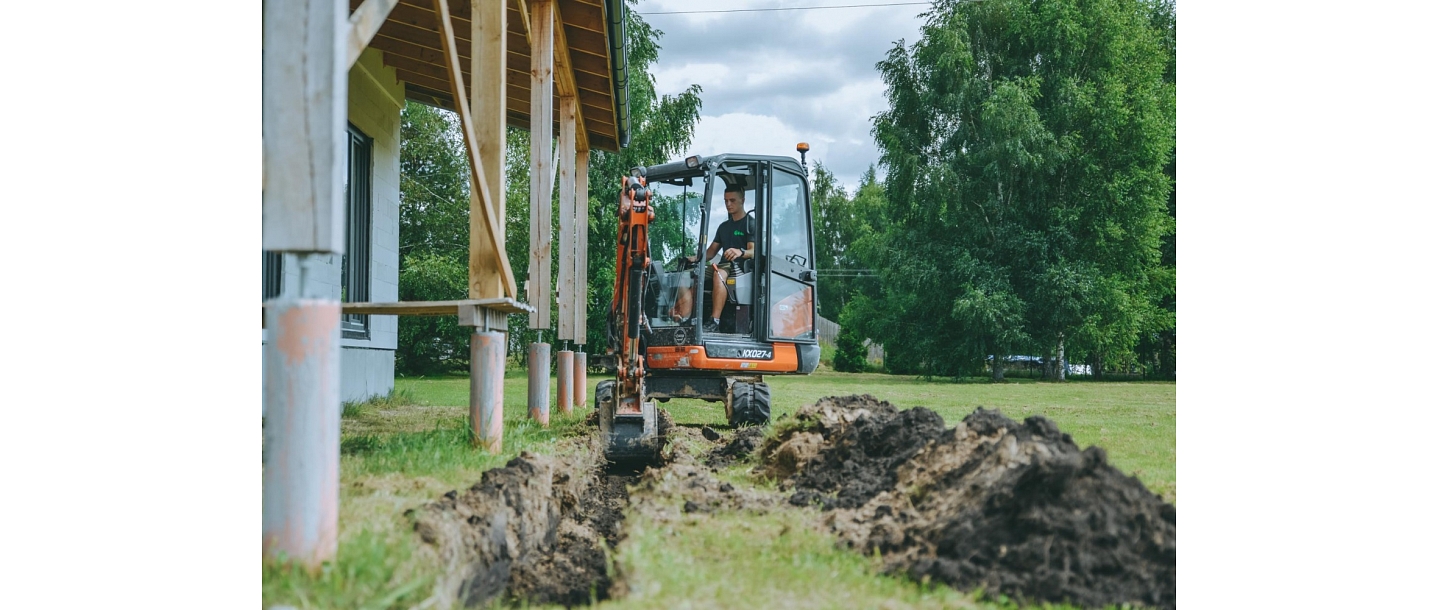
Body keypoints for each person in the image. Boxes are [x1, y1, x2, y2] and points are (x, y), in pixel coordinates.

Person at [668, 184, 755, 332]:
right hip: (723, 264)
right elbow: (711, 252)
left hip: (739, 267)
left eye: (732, 200)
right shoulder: (724, 227)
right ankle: (685, 315)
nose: (728, 204)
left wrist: (741, 252)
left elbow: (753, 251)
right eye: (726, 200)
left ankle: (714, 321)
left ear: (743, 200)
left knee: (718, 274)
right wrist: (694, 258)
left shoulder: (750, 223)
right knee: (684, 276)